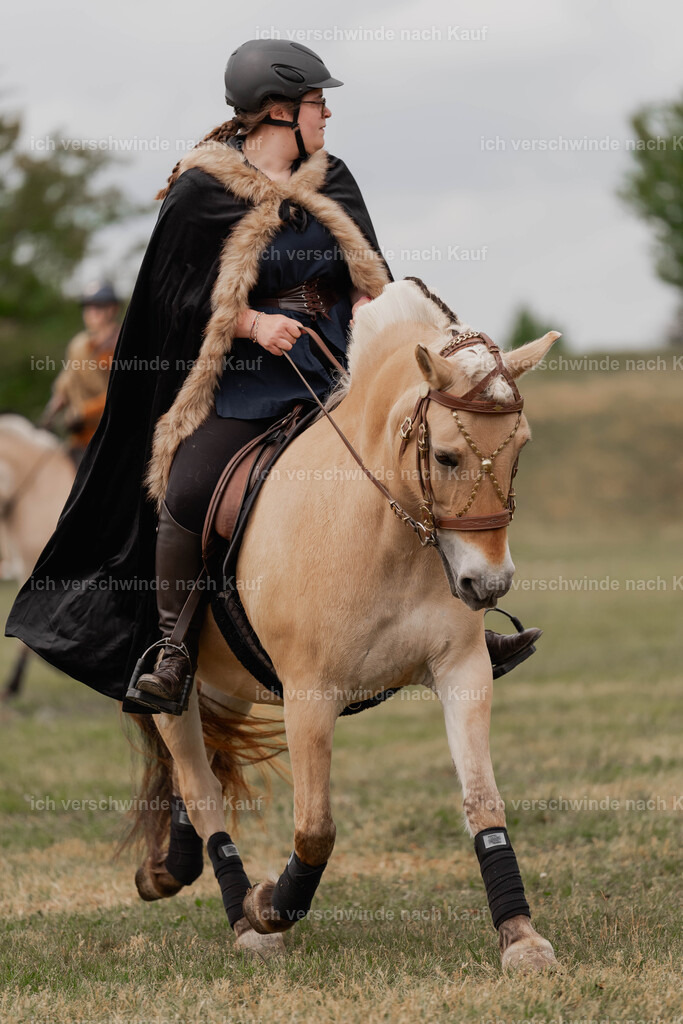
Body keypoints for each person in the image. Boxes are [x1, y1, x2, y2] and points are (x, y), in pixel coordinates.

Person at [5, 39, 539, 716]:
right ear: (278, 112)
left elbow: (365, 270)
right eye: (318, 103)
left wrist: (376, 305)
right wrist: (251, 323)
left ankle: (464, 635)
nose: (326, 115)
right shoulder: (200, 193)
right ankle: (170, 651)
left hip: (331, 377)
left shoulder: (332, 179)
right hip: (240, 389)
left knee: (416, 468)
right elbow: (171, 301)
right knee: (188, 492)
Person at [41, 280, 121, 465]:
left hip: (110, 436)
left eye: (99, 307)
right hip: (79, 438)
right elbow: (68, 382)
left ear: (113, 309)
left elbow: (120, 394)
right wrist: (52, 410)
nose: (92, 312)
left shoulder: (119, 346)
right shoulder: (79, 344)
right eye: (88, 307)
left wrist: (82, 412)